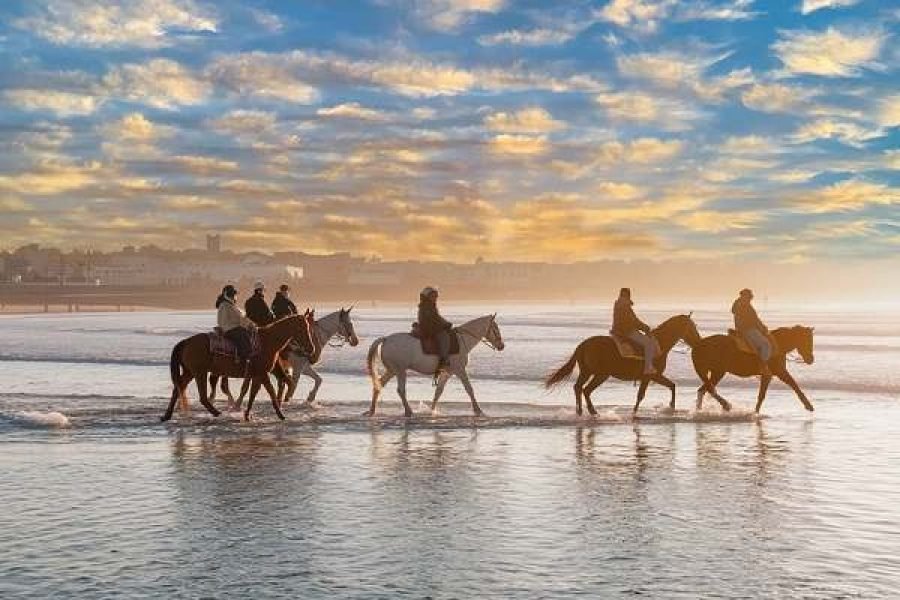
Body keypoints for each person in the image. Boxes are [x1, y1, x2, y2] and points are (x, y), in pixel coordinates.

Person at [611, 287, 657, 376]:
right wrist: (645, 328)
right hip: (626, 332)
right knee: (649, 344)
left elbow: (633, 320)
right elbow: (633, 321)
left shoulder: (620, 304)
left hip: (618, 330)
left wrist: (643, 327)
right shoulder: (625, 306)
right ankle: (648, 368)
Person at [732, 288, 772, 377]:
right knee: (766, 345)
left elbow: (754, 319)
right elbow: (753, 320)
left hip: (744, 329)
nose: (750, 299)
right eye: (749, 297)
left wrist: (761, 326)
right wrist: (762, 328)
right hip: (748, 330)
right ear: (744, 297)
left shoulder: (739, 305)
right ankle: (762, 366)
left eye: (750, 298)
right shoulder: (744, 306)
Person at [216, 284, 255, 367]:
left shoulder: (227, 304)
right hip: (230, 328)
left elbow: (239, 318)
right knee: (244, 336)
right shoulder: (227, 305)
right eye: (233, 294)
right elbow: (239, 318)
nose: (234, 296)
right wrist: (250, 324)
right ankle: (244, 359)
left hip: (229, 327)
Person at [418, 286, 452, 373]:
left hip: (432, 327)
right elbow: (432, 320)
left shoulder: (431, 306)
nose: (435, 298)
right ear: (427, 297)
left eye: (436, 296)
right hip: (428, 329)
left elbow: (438, 317)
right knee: (444, 337)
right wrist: (443, 326)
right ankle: (443, 360)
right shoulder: (426, 306)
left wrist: (446, 323)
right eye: (433, 296)